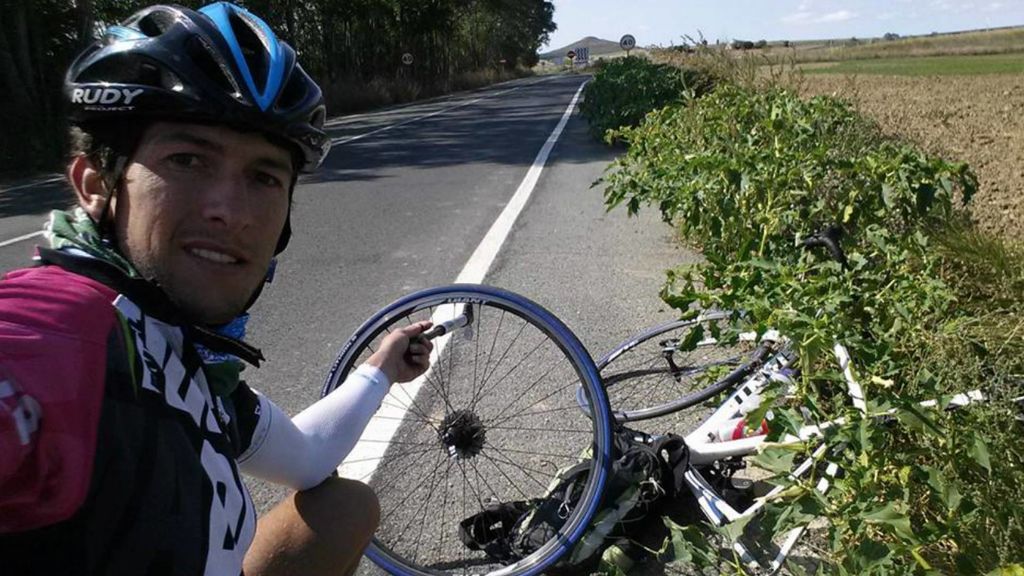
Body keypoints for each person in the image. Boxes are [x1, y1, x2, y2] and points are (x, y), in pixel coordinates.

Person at [0, 3, 432, 575]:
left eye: (263, 177)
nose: (230, 211)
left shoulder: (185, 353)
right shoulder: (63, 329)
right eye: (187, 159)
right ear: (96, 184)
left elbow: (308, 457)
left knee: (345, 506)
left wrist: (380, 368)